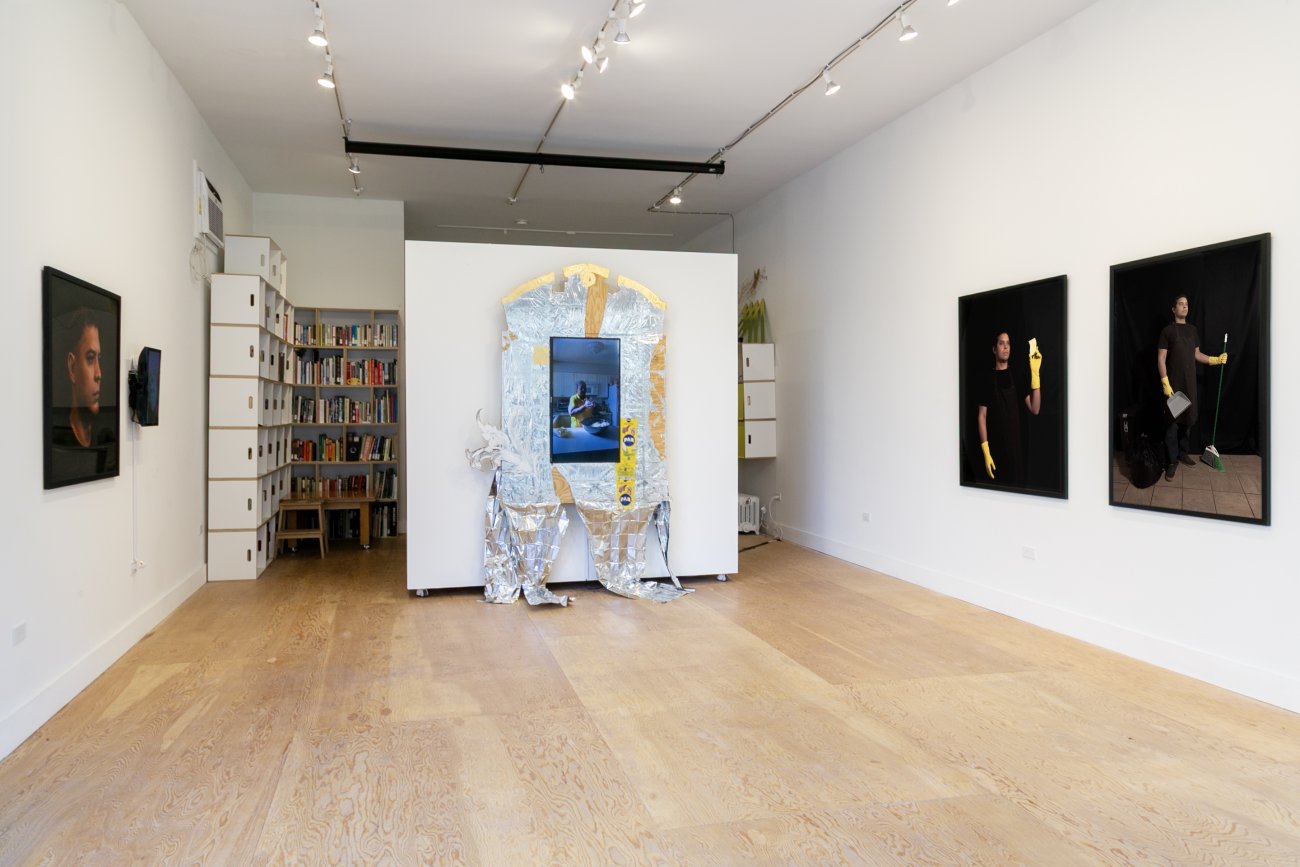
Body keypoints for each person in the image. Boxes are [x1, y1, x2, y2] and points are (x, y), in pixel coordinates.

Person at [1157, 294, 1227, 480]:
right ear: (1174, 309)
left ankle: (1182, 453)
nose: (1184, 307)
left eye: (1186, 304)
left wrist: (1215, 360)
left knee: (1187, 423)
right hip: (1174, 388)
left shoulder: (1193, 330)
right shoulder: (1167, 331)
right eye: (1180, 304)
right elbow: (1161, 358)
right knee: (1172, 426)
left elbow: (1197, 355)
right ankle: (1172, 461)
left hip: (1189, 387)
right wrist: (1165, 383)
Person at [977, 332, 1042, 487]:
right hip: (996, 452)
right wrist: (986, 452)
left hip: (1015, 452)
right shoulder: (987, 378)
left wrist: (1035, 374)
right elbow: (981, 417)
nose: (1006, 347)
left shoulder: (1017, 376)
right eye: (1001, 343)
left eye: (1008, 343)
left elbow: (1035, 408)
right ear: (994, 349)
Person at [52, 308, 113, 449]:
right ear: (72, 367)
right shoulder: (59, 440)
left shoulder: (105, 438)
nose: (99, 374)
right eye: (90, 358)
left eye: (99, 358)